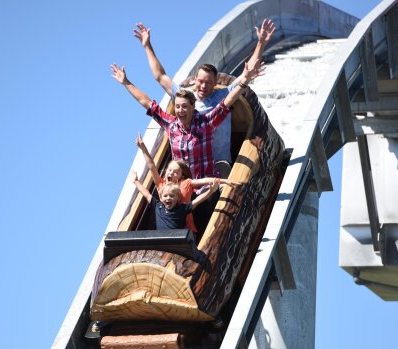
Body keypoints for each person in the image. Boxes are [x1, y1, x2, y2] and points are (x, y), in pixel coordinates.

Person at [133, 19, 276, 173]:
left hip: (218, 161)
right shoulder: (185, 97)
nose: (203, 86)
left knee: (224, 181)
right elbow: (160, 76)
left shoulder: (224, 95)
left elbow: (245, 76)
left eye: (208, 83)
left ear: (215, 83)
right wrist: (147, 46)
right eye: (200, 81)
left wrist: (261, 43)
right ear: (195, 79)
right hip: (190, 164)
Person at [111, 60, 264, 180]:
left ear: (193, 107)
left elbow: (228, 100)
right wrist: (126, 82)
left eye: (184, 107)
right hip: (183, 188)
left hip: (205, 187)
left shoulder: (206, 123)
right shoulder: (171, 125)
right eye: (177, 107)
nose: (180, 111)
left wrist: (246, 79)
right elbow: (146, 102)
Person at [135, 133, 238, 234]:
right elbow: (152, 167)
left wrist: (223, 181)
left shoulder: (186, 183)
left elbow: (204, 181)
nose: (171, 173)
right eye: (169, 170)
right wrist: (143, 148)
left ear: (182, 176)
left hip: (186, 229)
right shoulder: (162, 185)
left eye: (175, 172)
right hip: (168, 228)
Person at [130, 171, 220, 231]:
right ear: (161, 198)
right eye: (165, 196)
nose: (168, 198)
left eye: (171, 196)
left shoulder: (182, 208)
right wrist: (136, 181)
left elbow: (197, 200)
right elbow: (146, 194)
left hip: (177, 239)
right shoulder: (158, 205)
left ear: (177, 199)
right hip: (162, 240)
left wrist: (211, 191)